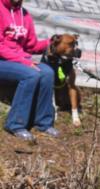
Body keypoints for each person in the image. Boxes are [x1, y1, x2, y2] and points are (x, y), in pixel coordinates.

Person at [0, 0, 58, 141]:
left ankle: (43, 123)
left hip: (18, 61)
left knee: (47, 73)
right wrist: (24, 62)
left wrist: (52, 43)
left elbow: (31, 46)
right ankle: (15, 124)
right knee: (30, 74)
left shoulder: (24, 14)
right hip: (3, 60)